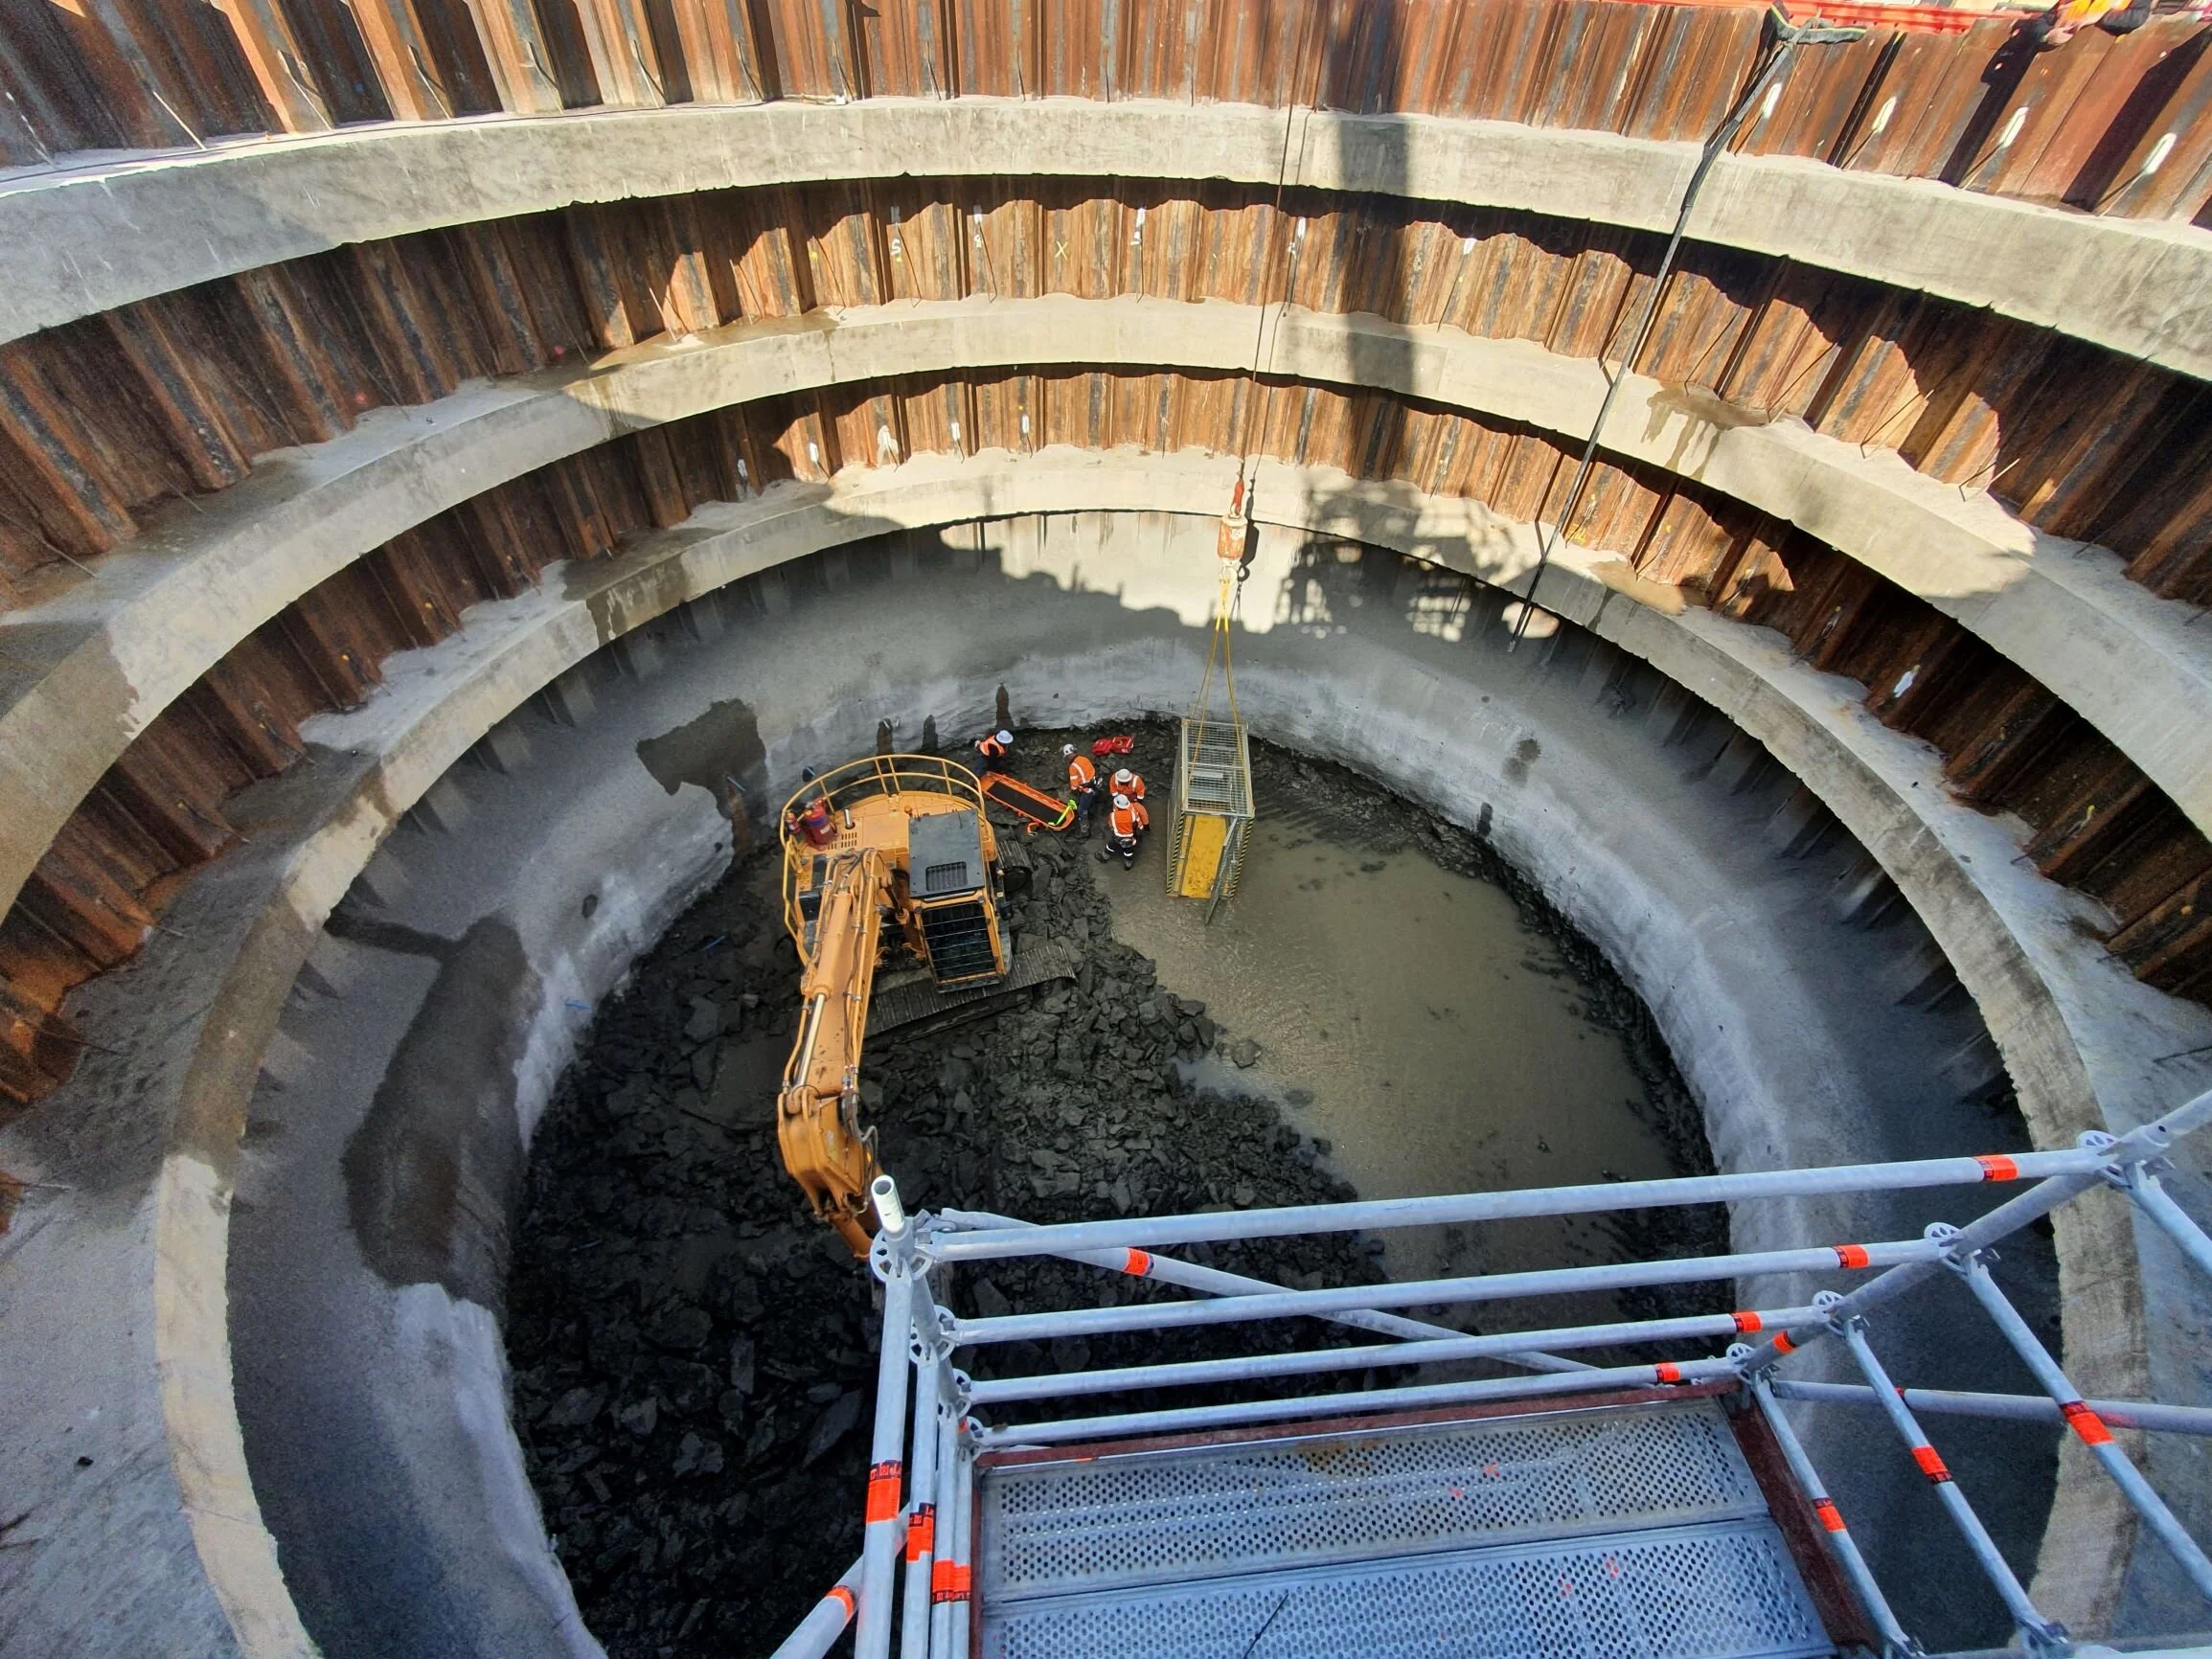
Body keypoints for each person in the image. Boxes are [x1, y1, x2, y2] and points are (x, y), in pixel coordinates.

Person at [1099, 790, 1150, 868]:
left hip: (1117, 837)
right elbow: (1140, 826)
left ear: (1117, 805)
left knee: (1110, 847)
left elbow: (1111, 826)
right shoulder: (1133, 814)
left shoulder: (1112, 815)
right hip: (1130, 838)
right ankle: (1128, 865)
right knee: (1128, 852)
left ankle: (1104, 858)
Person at [1064, 743, 1099, 837]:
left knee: (1081, 810)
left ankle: (1085, 831)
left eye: (1067, 756)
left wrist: (1074, 790)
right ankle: (1091, 815)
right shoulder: (1084, 759)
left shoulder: (1073, 767)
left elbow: (1074, 785)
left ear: (1069, 754)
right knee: (1090, 803)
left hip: (1086, 790)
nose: (1067, 758)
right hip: (1094, 786)